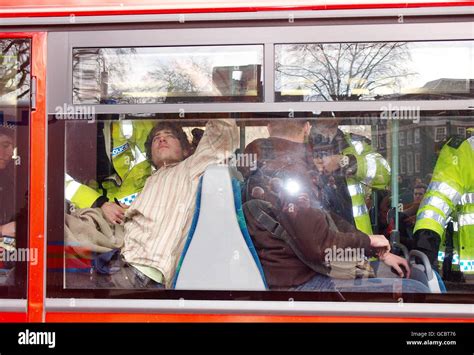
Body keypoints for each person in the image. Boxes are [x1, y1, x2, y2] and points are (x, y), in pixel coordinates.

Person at [242, 120, 428, 293]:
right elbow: (319, 245)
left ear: (268, 127)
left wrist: (375, 249)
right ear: (307, 128)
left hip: (301, 269)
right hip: (301, 279)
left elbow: (325, 218)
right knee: (416, 290)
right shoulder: (292, 172)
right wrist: (368, 242)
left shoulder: (269, 166)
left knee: (412, 274)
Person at [111, 118, 239, 288]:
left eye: (169, 136)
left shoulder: (191, 167)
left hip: (143, 270)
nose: (161, 139)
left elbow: (223, 131)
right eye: (156, 138)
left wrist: (210, 97)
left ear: (186, 150)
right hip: (122, 261)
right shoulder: (150, 182)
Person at [309, 112, 391, 235]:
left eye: (332, 111)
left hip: (354, 233)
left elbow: (384, 174)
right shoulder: (301, 145)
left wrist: (346, 161)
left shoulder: (356, 143)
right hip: (312, 233)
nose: (327, 115)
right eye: (320, 111)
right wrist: (310, 166)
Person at [65, 119, 154, 225]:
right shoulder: (62, 126)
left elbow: (157, 161)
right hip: (85, 211)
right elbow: (54, 180)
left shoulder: (133, 118)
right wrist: (99, 203)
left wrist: (139, 202)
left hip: (133, 210)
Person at [414, 133, 474, 276]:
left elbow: (440, 197)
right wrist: (428, 234)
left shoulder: (465, 149)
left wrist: (427, 236)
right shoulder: (466, 149)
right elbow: (441, 196)